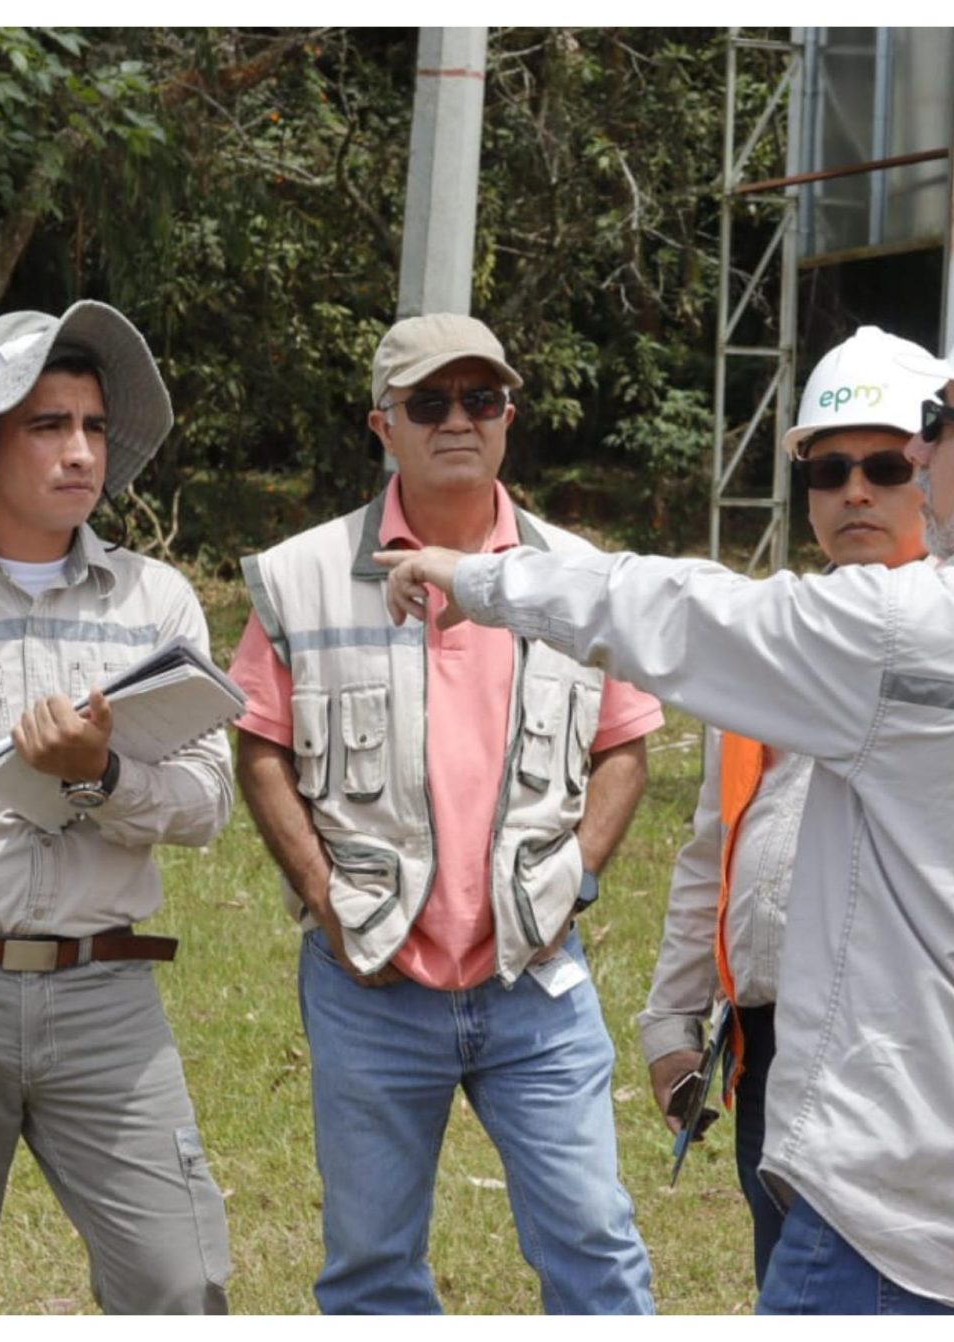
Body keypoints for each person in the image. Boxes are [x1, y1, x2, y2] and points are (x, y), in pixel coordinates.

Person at [376, 258, 954, 1315]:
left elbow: (673, 610)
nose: (921, 451)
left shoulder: (908, 630)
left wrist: (472, 576)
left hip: (890, 1230)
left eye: (937, 425)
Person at [231, 313, 659, 1314]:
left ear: (509, 414)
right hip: (368, 977)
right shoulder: (302, 575)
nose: (457, 419)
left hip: (534, 976)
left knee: (594, 1242)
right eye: (429, 402)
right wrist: (318, 893)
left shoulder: (579, 575)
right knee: (372, 1265)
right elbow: (258, 742)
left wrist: (576, 877)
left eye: (480, 398)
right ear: (382, 424)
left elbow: (625, 741)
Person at [0, 300, 234, 1315]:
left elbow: (206, 801)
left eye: (95, 427)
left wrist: (98, 776)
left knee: (179, 1282)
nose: (79, 452)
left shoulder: (153, 601)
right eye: (46, 425)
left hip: (104, 992)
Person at [636, 326, 939, 1288]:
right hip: (765, 1048)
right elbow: (714, 847)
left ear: (939, 468)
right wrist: (671, 1023)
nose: (856, 490)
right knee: (789, 1283)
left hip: (896, 1055)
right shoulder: (773, 640)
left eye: (886, 465)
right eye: (831, 467)